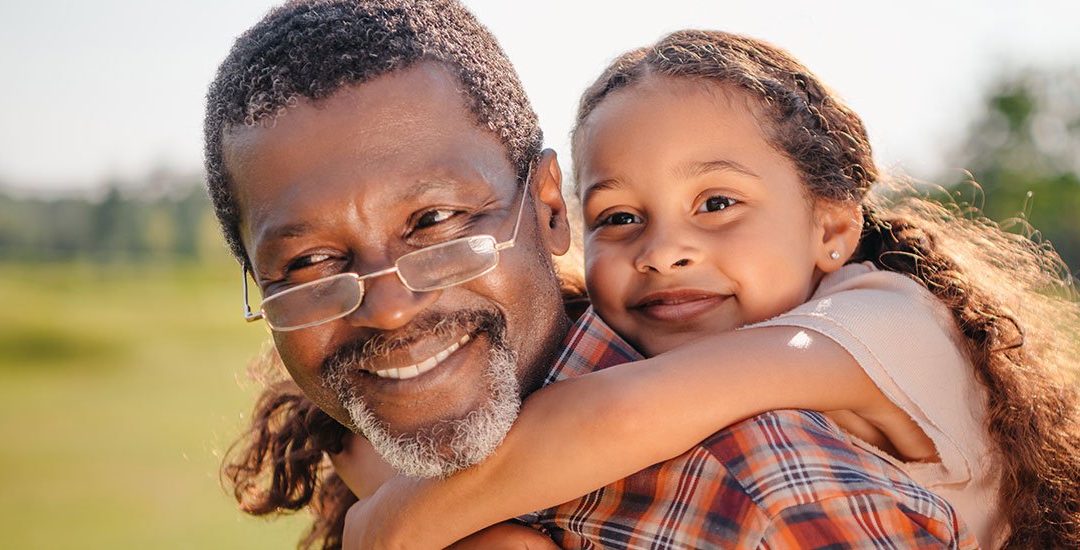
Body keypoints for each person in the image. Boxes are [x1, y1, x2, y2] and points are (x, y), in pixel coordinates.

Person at [336, 30, 1080, 549]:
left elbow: (623, 415)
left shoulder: (889, 323)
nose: (665, 251)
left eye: (717, 204)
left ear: (830, 227)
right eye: (620, 217)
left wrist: (393, 519)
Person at [208, 1, 973, 549]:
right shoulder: (369, 455)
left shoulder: (763, 490)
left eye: (435, 221)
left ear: (545, 210)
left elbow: (623, 417)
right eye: (308, 262)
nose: (388, 307)